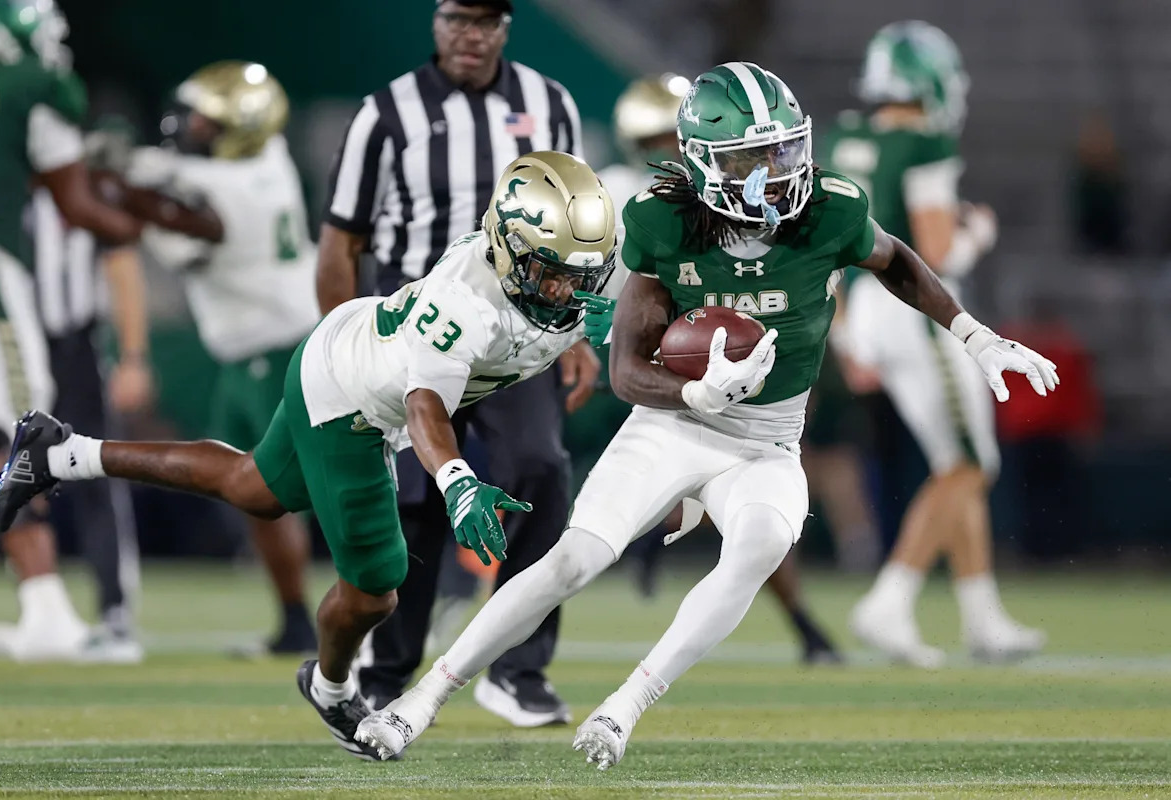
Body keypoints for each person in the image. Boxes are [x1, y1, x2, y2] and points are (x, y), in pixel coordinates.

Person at [352, 62, 1058, 769]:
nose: (777, 172)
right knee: (574, 558)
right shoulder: (662, 223)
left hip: (767, 441)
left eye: (784, 149)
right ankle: (422, 699)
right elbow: (627, 371)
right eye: (753, 158)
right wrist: (693, 395)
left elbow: (895, 258)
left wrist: (975, 336)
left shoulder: (830, 210)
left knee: (760, 544)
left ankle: (622, 709)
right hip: (674, 427)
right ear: (703, 162)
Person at [0, 150, 618, 760]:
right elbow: (426, 406)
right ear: (506, 248)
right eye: (550, 272)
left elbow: (632, 289)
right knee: (377, 588)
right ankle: (332, 688)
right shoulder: (466, 302)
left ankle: (63, 453)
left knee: (253, 487)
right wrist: (457, 481)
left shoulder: (569, 280)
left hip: (349, 345)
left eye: (580, 275)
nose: (565, 290)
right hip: (353, 399)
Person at [316, 0, 599, 727]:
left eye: (485, 21)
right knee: (414, 500)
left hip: (517, 325)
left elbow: (575, 232)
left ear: (506, 26)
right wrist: (342, 348)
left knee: (540, 468)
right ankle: (387, 672)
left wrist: (575, 336)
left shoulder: (549, 103)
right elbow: (341, 241)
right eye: (456, 19)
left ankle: (518, 669)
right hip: (417, 327)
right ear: (435, 20)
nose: (469, 35)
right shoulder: (387, 113)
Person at [595, 73, 841, 663]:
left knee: (756, 486)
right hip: (648, 355)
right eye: (654, 142)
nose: (666, 154)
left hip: (725, 349)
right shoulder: (636, 198)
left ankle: (795, 615)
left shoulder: (736, 192)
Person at [826, 21, 1046, 666]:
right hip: (917, 309)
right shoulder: (924, 141)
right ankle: (890, 599)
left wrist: (845, 336)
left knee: (958, 459)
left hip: (862, 309)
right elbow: (938, 251)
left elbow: (830, 246)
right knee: (970, 466)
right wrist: (978, 233)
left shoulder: (844, 137)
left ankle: (982, 617)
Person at [0, 0, 148, 661]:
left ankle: (51, 605)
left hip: (43, 308)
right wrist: (149, 221)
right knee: (21, 432)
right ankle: (45, 609)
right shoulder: (35, 86)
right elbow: (77, 202)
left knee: (13, 439)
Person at [129, 61, 322, 655]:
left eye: (206, 121)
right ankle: (296, 621)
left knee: (305, 492)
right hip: (252, 348)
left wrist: (127, 177)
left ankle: (377, 620)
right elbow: (187, 175)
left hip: (278, 348)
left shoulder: (231, 195)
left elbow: (181, 232)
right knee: (254, 495)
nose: (191, 127)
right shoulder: (268, 156)